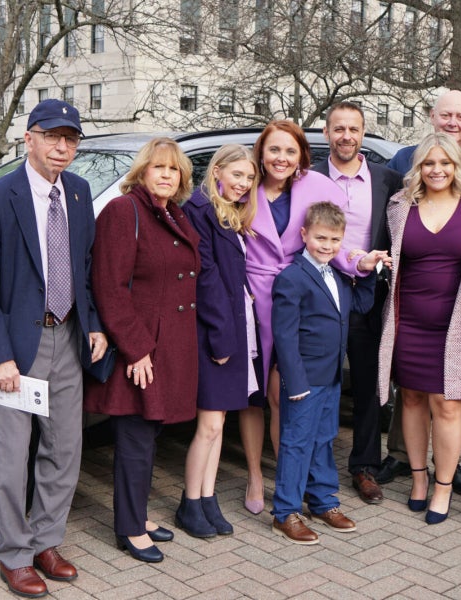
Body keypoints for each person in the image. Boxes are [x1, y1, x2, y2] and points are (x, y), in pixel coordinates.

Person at [0, 99, 107, 597]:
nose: (63, 147)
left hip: (68, 338)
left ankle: (47, 541)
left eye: (71, 139)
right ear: (30, 139)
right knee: (11, 455)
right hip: (17, 348)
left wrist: (94, 325)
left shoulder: (82, 192)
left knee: (65, 449)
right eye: (53, 136)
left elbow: (84, 270)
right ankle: (14, 554)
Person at [380, 89, 461, 496]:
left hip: (460, 321)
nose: (438, 169)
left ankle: (444, 483)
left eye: (446, 163)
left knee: (450, 404)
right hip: (410, 321)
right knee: (413, 400)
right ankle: (417, 478)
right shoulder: (400, 203)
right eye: (430, 163)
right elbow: (381, 242)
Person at [85, 137, 201, 563]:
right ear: (142, 172)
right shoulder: (124, 211)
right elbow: (109, 288)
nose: (167, 175)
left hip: (170, 346)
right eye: (159, 167)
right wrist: (136, 350)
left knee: (149, 434)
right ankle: (130, 528)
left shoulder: (174, 214)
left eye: (175, 169)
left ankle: (139, 514)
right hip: (142, 348)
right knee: (135, 435)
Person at [240, 120, 343, 515]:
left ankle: (290, 476)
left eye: (290, 151)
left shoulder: (313, 189)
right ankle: (254, 474)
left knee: (284, 393)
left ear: (301, 156)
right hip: (251, 299)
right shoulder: (243, 187)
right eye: (273, 150)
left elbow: (336, 240)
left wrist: (359, 261)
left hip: (295, 301)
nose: (281, 158)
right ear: (261, 153)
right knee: (252, 395)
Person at [311, 102, 403, 505]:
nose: (346, 135)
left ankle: (365, 467)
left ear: (363, 132)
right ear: (327, 132)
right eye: (338, 128)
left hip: (368, 291)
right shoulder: (310, 178)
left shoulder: (388, 180)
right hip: (321, 287)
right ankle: (314, 465)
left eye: (354, 128)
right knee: (321, 380)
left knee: (367, 385)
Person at [270, 202, 376, 544]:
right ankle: (285, 512)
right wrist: (294, 382)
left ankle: (322, 502)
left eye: (334, 239)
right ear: (304, 235)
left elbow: (361, 306)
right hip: (304, 379)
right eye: (320, 238)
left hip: (330, 376)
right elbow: (284, 335)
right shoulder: (291, 277)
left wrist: (370, 271)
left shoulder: (340, 277)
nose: (327, 245)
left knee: (323, 440)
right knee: (296, 443)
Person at [175, 144, 261, 538]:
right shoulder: (200, 211)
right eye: (237, 175)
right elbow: (205, 279)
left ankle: (208, 498)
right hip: (215, 330)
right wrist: (222, 338)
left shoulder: (229, 213)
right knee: (208, 424)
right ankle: (189, 503)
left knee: (220, 420)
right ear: (217, 172)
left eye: (248, 178)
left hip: (234, 325)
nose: (243, 184)